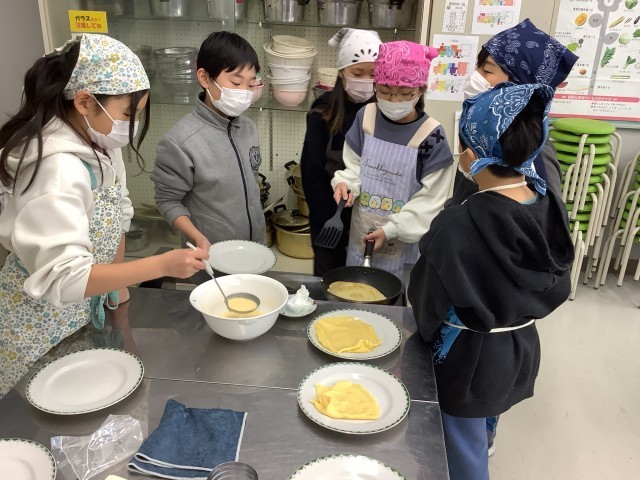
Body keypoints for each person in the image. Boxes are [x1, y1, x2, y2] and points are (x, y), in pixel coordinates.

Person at [0, 34, 206, 396]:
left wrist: (117, 287)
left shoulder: (101, 144)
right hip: (37, 326)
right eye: (127, 114)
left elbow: (119, 214)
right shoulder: (56, 169)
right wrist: (161, 265)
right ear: (84, 102)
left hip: (80, 312)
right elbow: (64, 278)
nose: (132, 124)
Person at [408, 82, 575, 480]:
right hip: (519, 348)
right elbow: (558, 287)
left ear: (469, 155)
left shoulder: (457, 224)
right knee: (483, 425)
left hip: (466, 359)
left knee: (459, 452)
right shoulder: (548, 205)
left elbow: (426, 299)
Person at [331, 40, 453, 281]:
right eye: (385, 92)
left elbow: (431, 200)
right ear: (375, 85)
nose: (394, 101)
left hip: (403, 244)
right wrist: (346, 184)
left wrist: (391, 229)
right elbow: (354, 166)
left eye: (405, 94)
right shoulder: (366, 116)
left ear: (420, 90)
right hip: (360, 236)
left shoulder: (432, 136)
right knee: (355, 289)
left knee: (395, 295)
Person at [151, 31, 265, 284]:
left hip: (255, 250)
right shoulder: (180, 141)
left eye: (250, 84)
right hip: (212, 257)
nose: (244, 92)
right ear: (204, 78)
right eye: (236, 83)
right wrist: (198, 238)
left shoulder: (248, 128)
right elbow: (167, 200)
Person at [451, 18, 579, 205]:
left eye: (487, 70)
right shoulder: (483, 136)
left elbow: (542, 218)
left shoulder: (534, 156)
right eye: (477, 67)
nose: (474, 77)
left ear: (520, 87)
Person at [300, 28, 381, 276]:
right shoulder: (323, 112)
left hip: (370, 220)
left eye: (373, 74)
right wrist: (330, 218)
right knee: (329, 279)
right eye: (357, 73)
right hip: (329, 219)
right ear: (342, 71)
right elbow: (312, 172)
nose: (366, 80)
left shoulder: (382, 111)